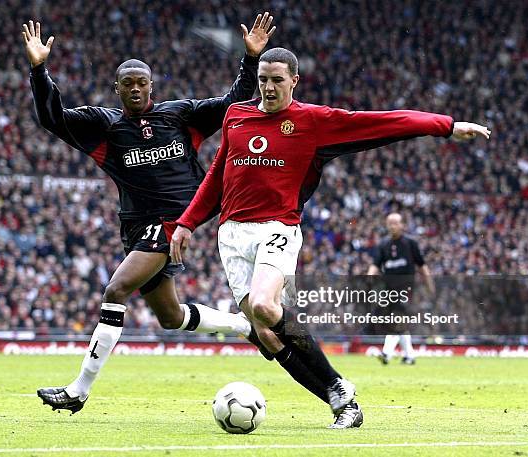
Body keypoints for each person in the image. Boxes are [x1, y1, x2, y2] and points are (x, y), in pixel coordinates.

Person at [170, 47, 490, 429]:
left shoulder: (312, 121)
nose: (269, 87)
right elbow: (217, 174)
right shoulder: (237, 116)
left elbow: (383, 123)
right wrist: (188, 222)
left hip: (278, 227)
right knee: (267, 335)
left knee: (263, 307)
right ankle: (340, 398)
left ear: (294, 81)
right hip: (231, 234)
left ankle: (338, 386)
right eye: (263, 80)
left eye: (277, 80)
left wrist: (445, 125)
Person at [22, 14, 277, 413]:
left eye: (142, 83)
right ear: (118, 89)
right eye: (129, 84)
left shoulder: (179, 115)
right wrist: (39, 70)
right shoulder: (103, 126)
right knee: (171, 317)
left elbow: (231, 106)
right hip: (138, 227)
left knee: (115, 290)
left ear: (151, 86)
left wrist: (250, 59)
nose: (136, 89)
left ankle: (79, 390)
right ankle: (246, 327)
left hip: (176, 220)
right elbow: (52, 117)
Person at [367, 213, 434, 365]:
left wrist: (429, 284)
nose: (392, 226)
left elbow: (422, 265)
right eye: (390, 223)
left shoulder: (411, 243)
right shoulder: (383, 244)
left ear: (402, 225)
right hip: (389, 288)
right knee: (399, 321)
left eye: (395, 223)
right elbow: (375, 264)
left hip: (406, 287)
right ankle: (409, 356)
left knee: (397, 317)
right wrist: (369, 279)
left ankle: (386, 353)